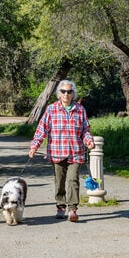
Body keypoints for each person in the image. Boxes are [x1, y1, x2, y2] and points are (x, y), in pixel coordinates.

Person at [28, 79, 95, 221]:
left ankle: (72, 209)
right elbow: (41, 130)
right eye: (63, 91)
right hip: (57, 152)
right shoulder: (51, 109)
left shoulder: (80, 110)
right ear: (59, 93)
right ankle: (60, 206)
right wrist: (34, 146)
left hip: (75, 152)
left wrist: (89, 141)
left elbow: (85, 130)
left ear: (73, 94)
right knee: (59, 181)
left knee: (73, 180)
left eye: (69, 91)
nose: (66, 94)